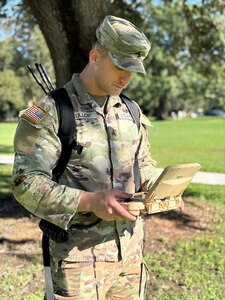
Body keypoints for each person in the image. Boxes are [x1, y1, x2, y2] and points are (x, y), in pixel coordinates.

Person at [11, 15, 158, 300]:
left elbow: (143, 166)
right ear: (95, 56)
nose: (126, 77)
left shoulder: (131, 111)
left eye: (132, 70)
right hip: (79, 262)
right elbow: (24, 182)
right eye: (119, 66)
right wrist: (90, 201)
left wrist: (159, 187)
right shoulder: (54, 111)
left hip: (130, 257)